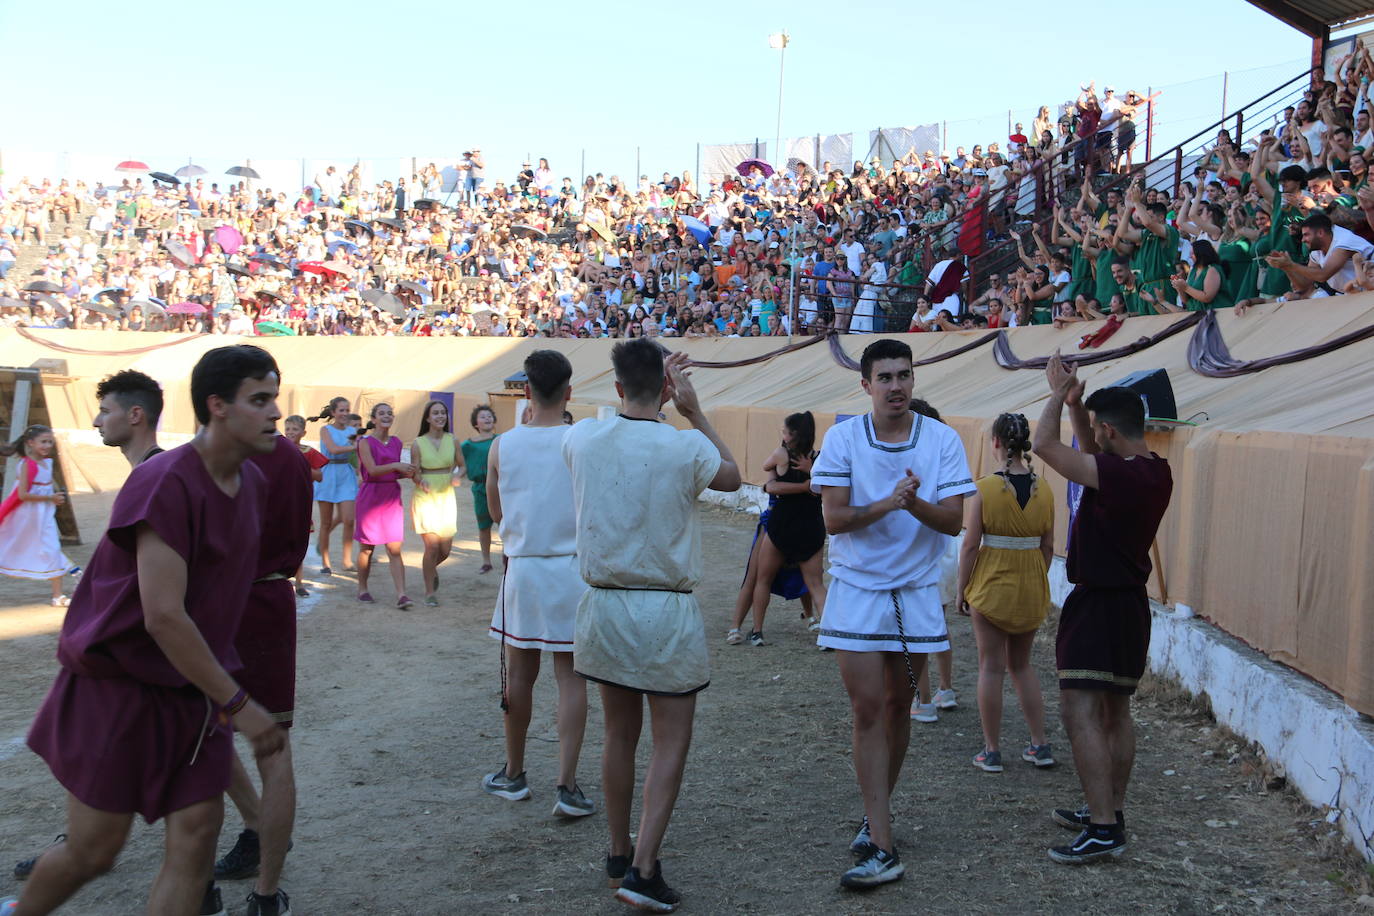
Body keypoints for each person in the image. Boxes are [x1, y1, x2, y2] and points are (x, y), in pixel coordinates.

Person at [2, 345, 285, 916]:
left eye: (273, 398)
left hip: (189, 693)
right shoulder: (164, 482)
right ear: (218, 406)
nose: (274, 413)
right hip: (120, 687)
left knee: (197, 836)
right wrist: (239, 703)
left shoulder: (251, 484)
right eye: (260, 400)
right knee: (93, 852)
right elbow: (162, 616)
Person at [564, 341, 741, 911]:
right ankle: (642, 868)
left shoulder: (582, 437)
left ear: (617, 388)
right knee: (671, 742)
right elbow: (734, 479)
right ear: (667, 388)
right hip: (665, 608)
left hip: (606, 604)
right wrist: (694, 411)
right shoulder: (686, 446)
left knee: (619, 734)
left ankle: (620, 852)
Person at [810, 338, 974, 889]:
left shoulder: (943, 440)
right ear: (866, 385)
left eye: (904, 375)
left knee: (899, 710)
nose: (896, 386)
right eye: (885, 377)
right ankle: (882, 843)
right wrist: (888, 502)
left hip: (916, 592)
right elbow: (833, 519)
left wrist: (913, 502)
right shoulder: (842, 438)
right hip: (857, 590)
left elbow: (952, 522)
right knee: (867, 710)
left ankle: (874, 817)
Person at [1031, 351, 1173, 864]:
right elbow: (1092, 451)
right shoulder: (1155, 471)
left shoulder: (1117, 476)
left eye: (1095, 427)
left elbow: (1042, 445)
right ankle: (1110, 808)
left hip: (1097, 604)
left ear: (1110, 430)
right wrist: (1075, 404)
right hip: (1130, 605)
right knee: (1116, 711)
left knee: (1081, 712)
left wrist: (1052, 394)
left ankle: (1103, 826)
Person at [482, 351, 593, 819]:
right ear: (568, 392)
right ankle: (566, 785)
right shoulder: (582, 441)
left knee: (520, 677)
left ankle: (514, 773)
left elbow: (495, 513)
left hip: (524, 570)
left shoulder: (502, 445)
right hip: (571, 571)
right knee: (571, 680)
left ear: (526, 390)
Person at [209, 429, 313, 916]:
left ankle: (248, 883)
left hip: (224, 604)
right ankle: (258, 848)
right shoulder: (290, 456)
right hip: (267, 599)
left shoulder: (218, 451)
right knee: (220, 740)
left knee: (230, 742)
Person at [958, 413, 1055, 774]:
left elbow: (970, 547)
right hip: (1030, 587)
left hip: (991, 586)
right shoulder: (1045, 489)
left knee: (991, 667)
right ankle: (1040, 744)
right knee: (1022, 665)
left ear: (996, 443)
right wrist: (1034, 577)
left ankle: (992, 750)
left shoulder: (984, 488)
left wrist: (962, 588)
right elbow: (1048, 546)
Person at [726, 411, 827, 647]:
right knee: (814, 583)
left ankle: (756, 630)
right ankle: (826, 631)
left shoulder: (782, 454)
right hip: (810, 524)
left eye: (784, 431)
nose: (782, 434)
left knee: (761, 578)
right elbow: (825, 486)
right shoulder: (820, 459)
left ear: (793, 435)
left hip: (781, 522)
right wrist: (809, 477)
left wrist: (792, 482)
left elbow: (769, 481)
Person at [0, 425, 74, 606]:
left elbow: (46, 485)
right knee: (11, 545)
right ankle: (58, 595)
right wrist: (50, 497)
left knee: (52, 549)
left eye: (50, 441)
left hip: (43, 517)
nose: (47, 445)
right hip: (27, 517)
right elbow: (22, 495)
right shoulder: (27, 465)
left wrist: (54, 497)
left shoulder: (47, 462)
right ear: (30, 443)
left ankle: (57, 596)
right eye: (43, 441)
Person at [354, 403, 417, 608]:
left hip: (391, 496)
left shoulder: (397, 442)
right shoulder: (365, 442)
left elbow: (391, 472)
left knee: (394, 547)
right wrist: (396, 466)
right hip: (371, 496)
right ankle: (363, 588)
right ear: (373, 419)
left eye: (390, 413)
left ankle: (401, 594)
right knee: (367, 548)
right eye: (382, 413)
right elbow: (371, 470)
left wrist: (406, 473)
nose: (387, 416)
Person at [410, 401, 461, 606]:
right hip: (425, 496)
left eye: (443, 413)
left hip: (446, 496)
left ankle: (431, 569)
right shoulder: (418, 443)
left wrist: (458, 476)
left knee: (445, 549)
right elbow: (415, 472)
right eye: (436, 413)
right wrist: (419, 480)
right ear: (428, 418)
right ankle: (429, 591)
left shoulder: (453, 440)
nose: (440, 416)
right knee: (431, 547)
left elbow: (462, 465)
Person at [282, 415, 327, 598]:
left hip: (300, 501)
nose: (291, 433)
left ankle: (299, 582)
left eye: (295, 429)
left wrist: (299, 464)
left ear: (303, 432)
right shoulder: (279, 449)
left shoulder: (308, 452)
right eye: (288, 429)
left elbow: (319, 475)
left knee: (298, 542)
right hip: (282, 501)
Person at [313, 397, 357, 576]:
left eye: (347, 410)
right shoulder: (325, 429)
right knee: (325, 522)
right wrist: (355, 446)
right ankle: (325, 561)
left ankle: (347, 560)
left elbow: (356, 454)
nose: (345, 414)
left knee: (349, 519)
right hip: (329, 473)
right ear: (333, 413)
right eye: (341, 410)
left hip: (345, 473)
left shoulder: (353, 430)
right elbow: (333, 449)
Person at [92, 369, 164, 467]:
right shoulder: (158, 469)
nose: (96, 423)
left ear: (135, 415)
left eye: (105, 412)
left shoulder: (157, 475)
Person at [460, 405, 497, 573]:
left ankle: (507, 560)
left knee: (506, 524)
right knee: (483, 526)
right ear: (476, 422)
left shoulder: (501, 440)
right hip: (480, 488)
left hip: (500, 486)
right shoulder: (467, 445)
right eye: (482, 416)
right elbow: (459, 465)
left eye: (489, 416)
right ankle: (486, 561)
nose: (487, 418)